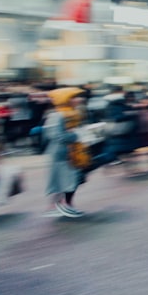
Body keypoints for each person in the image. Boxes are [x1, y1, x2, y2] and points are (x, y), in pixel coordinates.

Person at [43, 87, 91, 217]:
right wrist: (75, 135)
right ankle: (63, 206)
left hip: (73, 153)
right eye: (74, 97)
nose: (78, 99)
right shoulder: (56, 115)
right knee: (65, 180)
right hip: (62, 154)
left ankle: (62, 206)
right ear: (65, 99)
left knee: (70, 180)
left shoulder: (73, 113)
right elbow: (56, 136)